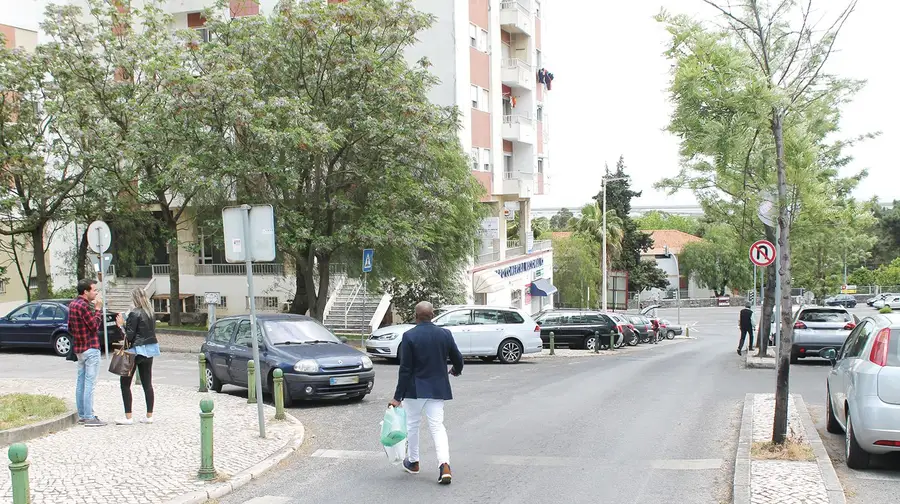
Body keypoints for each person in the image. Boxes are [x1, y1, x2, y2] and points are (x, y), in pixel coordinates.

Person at [389, 301, 464, 485]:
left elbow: (405, 369)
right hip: (437, 389)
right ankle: (444, 465)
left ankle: (413, 462)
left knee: (412, 426)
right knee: (437, 427)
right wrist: (456, 370)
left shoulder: (409, 336)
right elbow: (458, 358)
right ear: (433, 315)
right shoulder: (445, 334)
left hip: (414, 390)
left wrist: (397, 397)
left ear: (416, 316)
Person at [115, 288, 160, 425]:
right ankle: (149, 416)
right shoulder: (151, 312)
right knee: (147, 383)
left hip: (135, 350)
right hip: (150, 349)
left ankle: (128, 417)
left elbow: (129, 336)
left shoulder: (135, 313)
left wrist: (121, 325)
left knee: (125, 383)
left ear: (134, 298)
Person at [70, 278, 106, 427]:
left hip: (79, 349)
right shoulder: (85, 307)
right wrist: (97, 310)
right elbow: (94, 326)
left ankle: (83, 414)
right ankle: (89, 416)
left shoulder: (72, 305)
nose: (96, 293)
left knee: (81, 382)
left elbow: (70, 328)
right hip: (90, 348)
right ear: (85, 292)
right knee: (89, 383)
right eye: (94, 290)